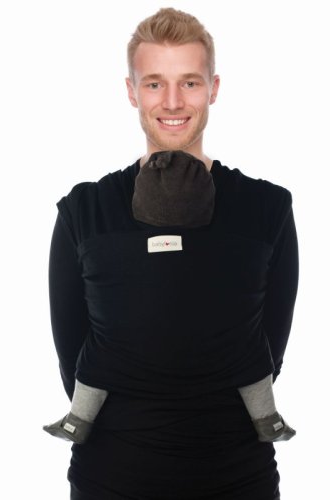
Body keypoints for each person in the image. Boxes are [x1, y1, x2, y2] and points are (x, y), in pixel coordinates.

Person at [46, 7, 299, 500]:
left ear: (213, 88)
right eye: (155, 83)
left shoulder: (267, 208)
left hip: (239, 480)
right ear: (132, 91)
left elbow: (270, 352)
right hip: (108, 482)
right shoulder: (85, 211)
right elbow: (71, 361)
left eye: (189, 82)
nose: (173, 101)